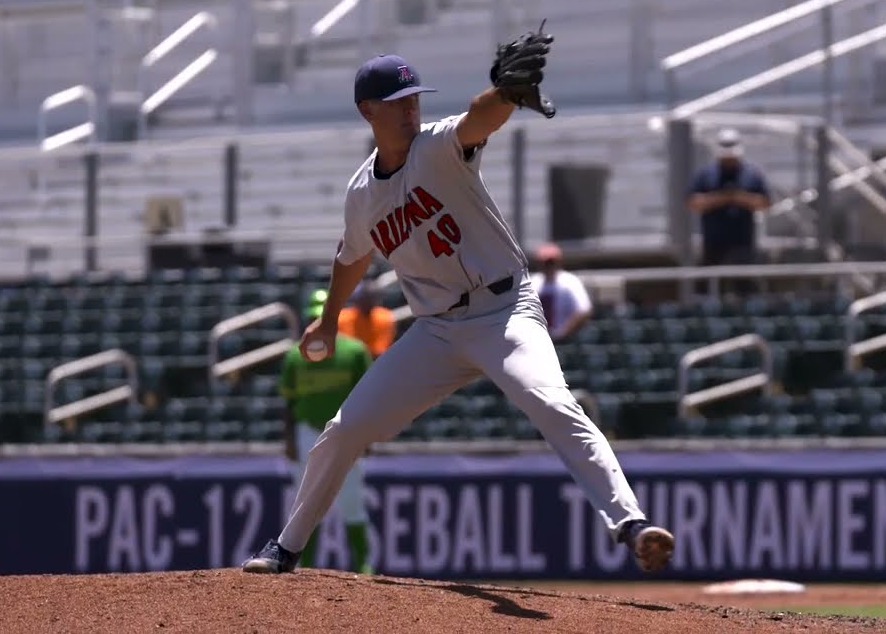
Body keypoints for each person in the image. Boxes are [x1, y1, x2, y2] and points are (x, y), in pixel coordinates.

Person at [241, 45, 674, 575]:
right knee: (344, 429)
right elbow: (350, 255)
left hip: (504, 313)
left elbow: (479, 118)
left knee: (552, 402)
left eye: (413, 99)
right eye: (397, 102)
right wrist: (329, 319)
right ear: (367, 111)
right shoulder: (361, 194)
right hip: (438, 331)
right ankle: (286, 546)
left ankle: (630, 524)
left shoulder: (438, 147)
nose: (410, 109)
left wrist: (506, 93)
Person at [278, 289, 373, 574]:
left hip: (347, 431)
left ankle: (363, 566)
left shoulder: (355, 351)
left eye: (322, 317)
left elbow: (370, 396)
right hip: (307, 431)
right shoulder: (295, 356)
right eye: (313, 317)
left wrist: (366, 435)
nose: (317, 322)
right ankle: (305, 565)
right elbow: (288, 401)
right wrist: (288, 439)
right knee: (305, 501)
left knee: (352, 501)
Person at [687, 127, 770, 266]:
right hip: (712, 245)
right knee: (707, 284)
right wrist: (723, 197)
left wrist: (739, 197)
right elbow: (693, 202)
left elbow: (765, 203)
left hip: (743, 244)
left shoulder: (752, 174)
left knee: (745, 284)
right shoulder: (706, 174)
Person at [529, 242, 593, 342]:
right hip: (538, 339)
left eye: (551, 262)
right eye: (544, 262)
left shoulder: (570, 281)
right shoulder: (533, 282)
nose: (548, 266)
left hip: (566, 340)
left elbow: (583, 310)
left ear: (558, 262)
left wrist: (563, 333)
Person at [337, 281, 396, 357]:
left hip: (375, 360)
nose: (365, 302)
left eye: (368, 299)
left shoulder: (384, 317)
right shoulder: (342, 318)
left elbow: (380, 350)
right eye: (362, 299)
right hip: (348, 360)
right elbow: (342, 348)